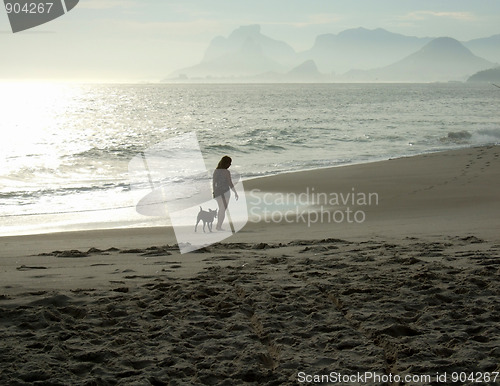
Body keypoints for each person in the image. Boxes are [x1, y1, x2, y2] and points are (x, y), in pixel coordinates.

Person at [213, 155, 238, 231]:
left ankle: (218, 225)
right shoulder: (226, 172)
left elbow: (213, 183)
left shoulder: (216, 171)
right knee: (223, 209)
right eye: (229, 163)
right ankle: (218, 226)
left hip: (217, 191)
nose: (230, 165)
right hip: (225, 191)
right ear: (225, 163)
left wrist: (214, 192)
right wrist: (235, 192)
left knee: (221, 208)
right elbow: (230, 183)